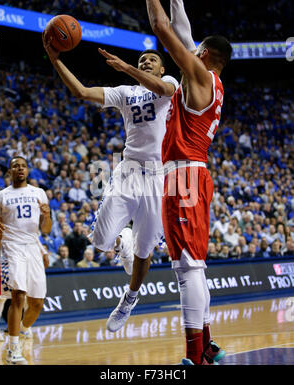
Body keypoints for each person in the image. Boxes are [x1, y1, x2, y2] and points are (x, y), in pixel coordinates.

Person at [43, 29, 179, 328]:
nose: (145, 62)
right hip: (129, 169)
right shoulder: (124, 92)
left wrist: (126, 66)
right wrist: (55, 59)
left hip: (159, 176)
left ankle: (129, 299)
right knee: (101, 241)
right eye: (142, 59)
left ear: (162, 68)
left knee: (144, 253)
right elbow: (81, 91)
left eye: (151, 59)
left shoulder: (169, 83)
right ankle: (122, 239)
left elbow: (162, 90)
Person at [146, 0, 232, 365]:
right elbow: (183, 31)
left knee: (187, 268)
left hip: (184, 175)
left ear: (204, 54)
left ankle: (194, 356)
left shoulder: (198, 76)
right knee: (193, 265)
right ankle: (208, 346)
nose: (190, 47)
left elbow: (163, 30)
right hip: (192, 172)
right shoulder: (211, 80)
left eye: (196, 49)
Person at [0, 156, 52, 365]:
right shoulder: (0, 196)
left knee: (36, 303)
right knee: (18, 296)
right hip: (12, 249)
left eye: (23, 166)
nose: (20, 168)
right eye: (15, 166)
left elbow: (45, 230)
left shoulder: (39, 193)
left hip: (33, 249)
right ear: (9, 171)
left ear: (27, 170)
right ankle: (12, 349)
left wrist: (47, 216)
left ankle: (22, 330)